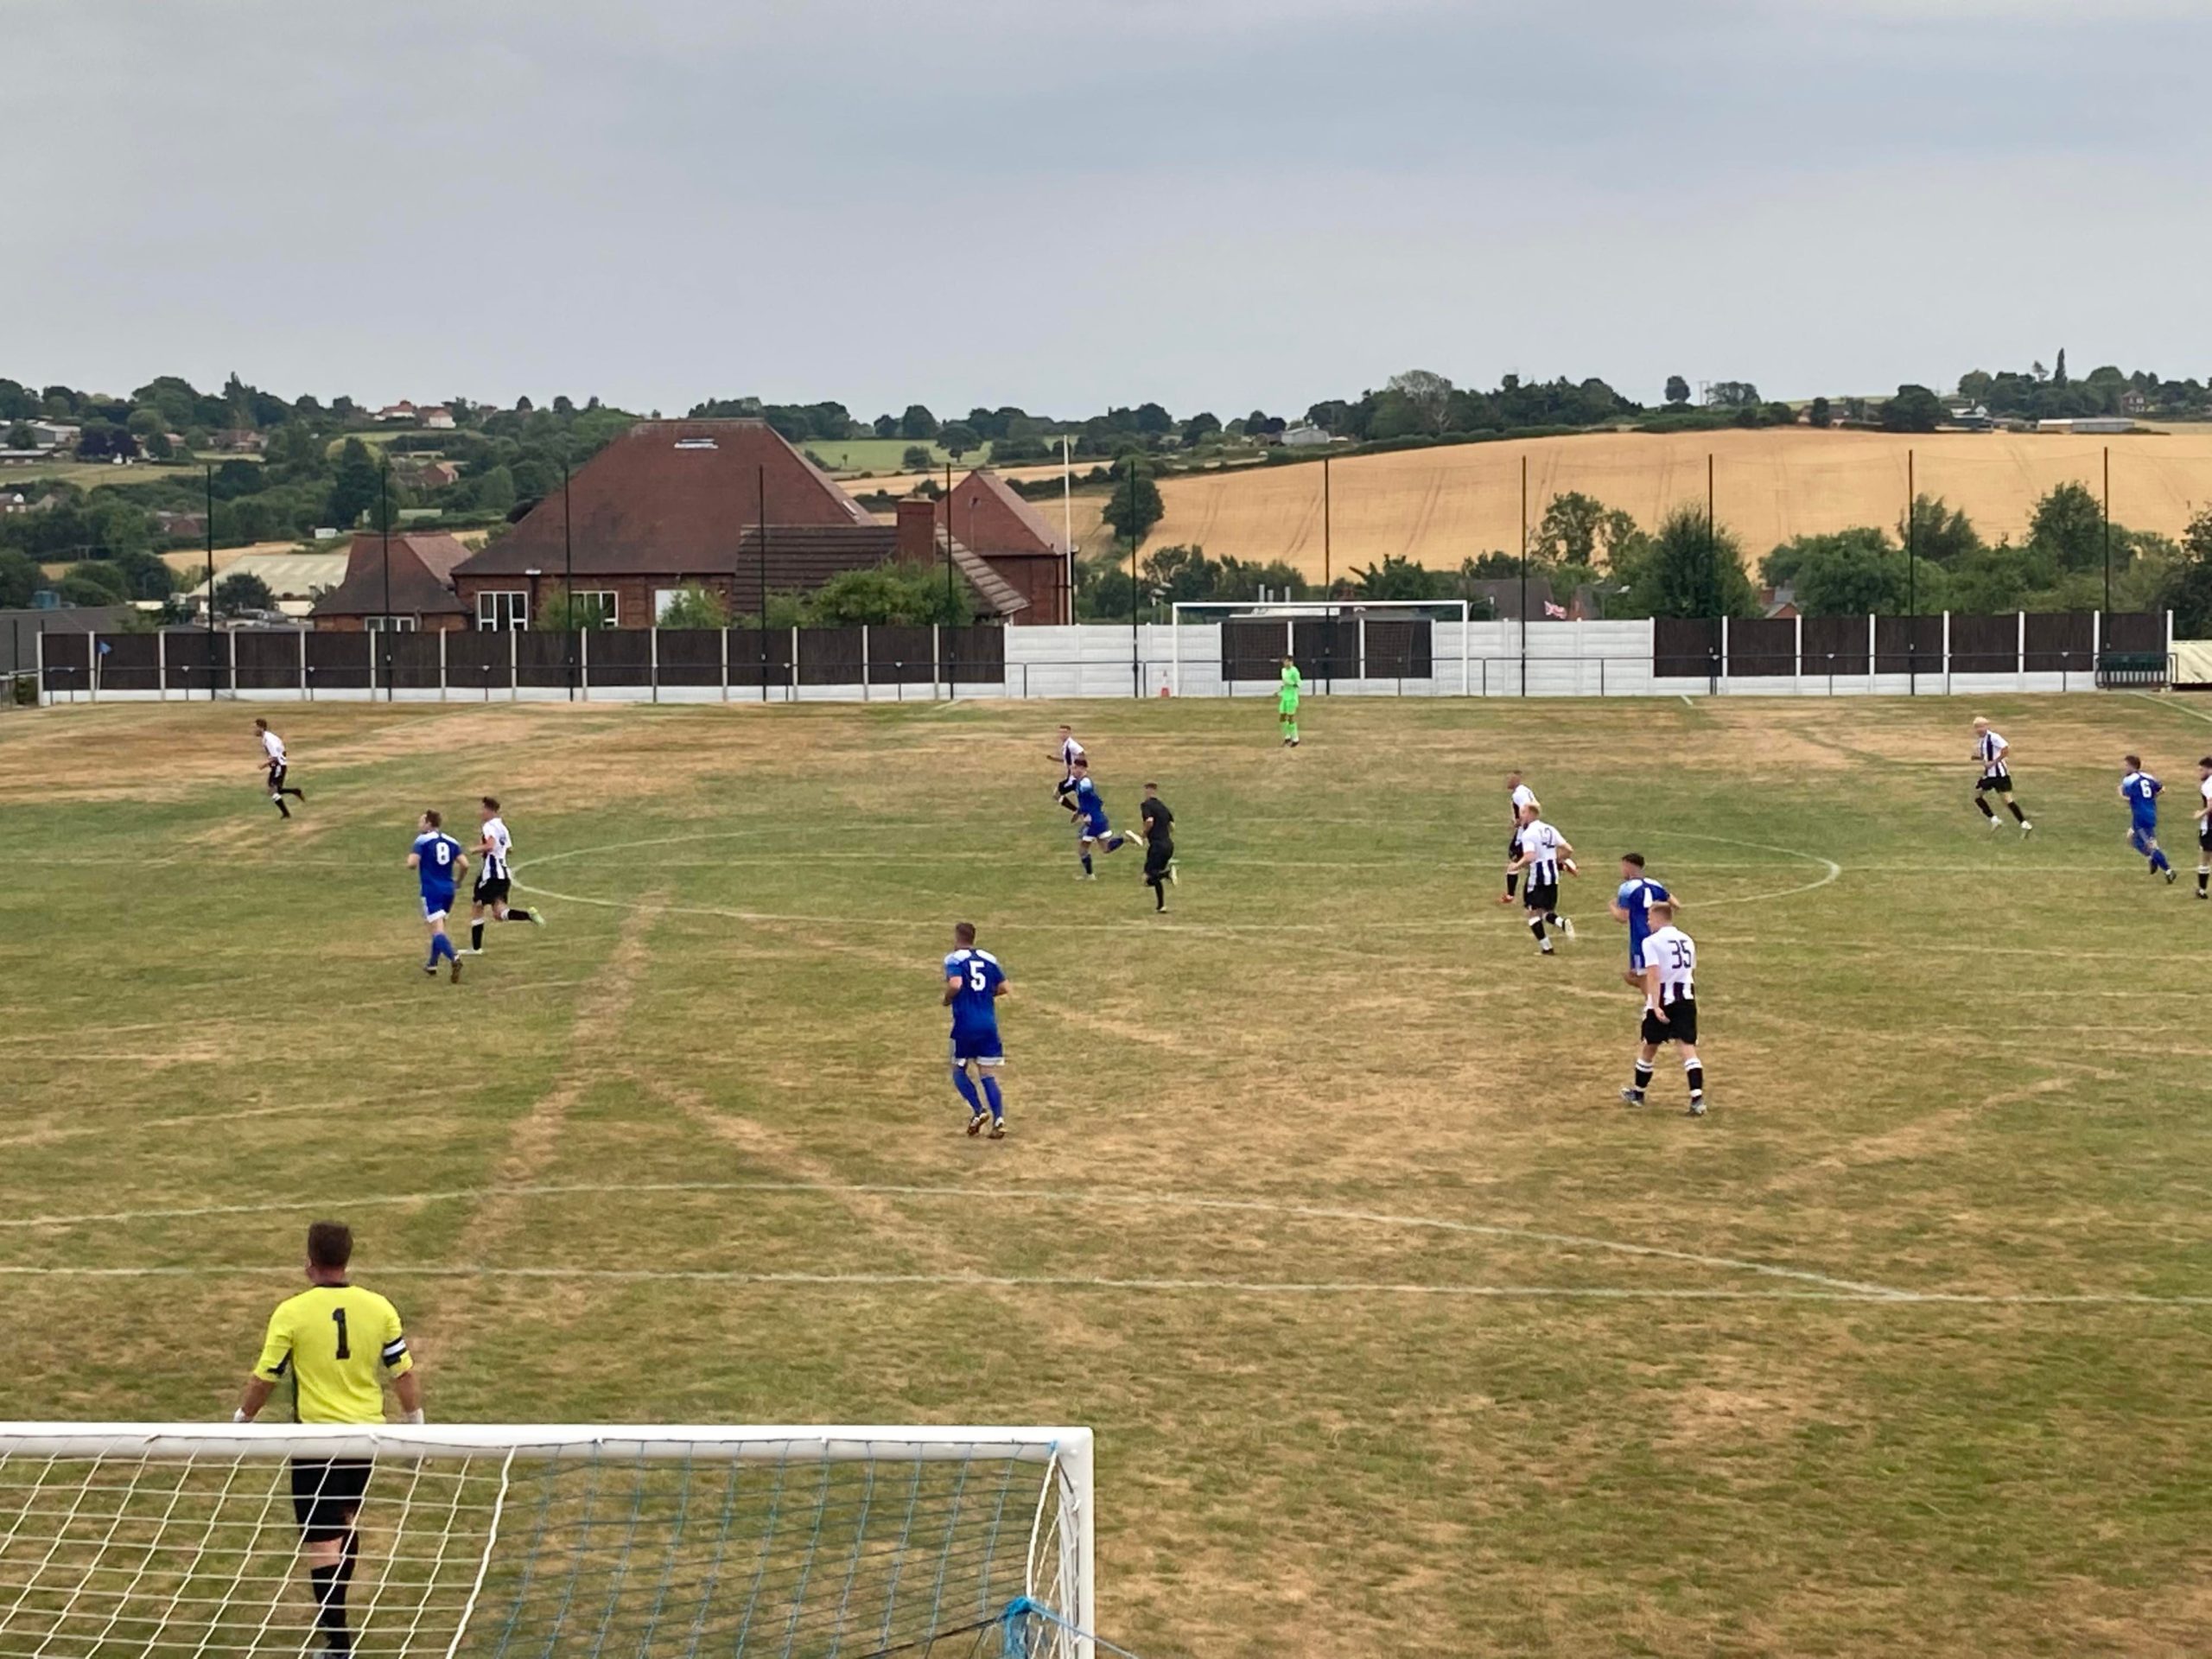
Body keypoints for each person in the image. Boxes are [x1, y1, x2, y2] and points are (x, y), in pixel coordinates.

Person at [235, 1220, 423, 1658]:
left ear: (309, 1262)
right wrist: (416, 1426)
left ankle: (338, 1644)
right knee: (342, 1525)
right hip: (365, 1440)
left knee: (321, 1541)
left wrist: (242, 1420)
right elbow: (403, 1372)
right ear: (347, 1259)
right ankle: (337, 1633)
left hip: (316, 1444)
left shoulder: (292, 1312)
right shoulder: (379, 1307)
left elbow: (266, 1377)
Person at [1620, 900, 1706, 1116]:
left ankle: (1638, 1093)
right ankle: (1697, 1098)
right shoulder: (1687, 939)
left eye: (1650, 917)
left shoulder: (1651, 942)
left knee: (1649, 1046)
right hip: (1686, 998)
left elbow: (1655, 975)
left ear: (1659, 917)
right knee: (1687, 1048)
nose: (1648, 922)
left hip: (1663, 999)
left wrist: (1656, 1005)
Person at [943, 922, 1009, 1139]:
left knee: (958, 1069)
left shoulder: (954, 959)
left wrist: (947, 999)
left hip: (965, 1025)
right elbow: (1004, 987)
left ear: (957, 937)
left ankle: (979, 1110)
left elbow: (955, 984)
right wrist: (984, 996)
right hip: (988, 1024)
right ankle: (999, 1120)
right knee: (987, 1073)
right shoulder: (989, 958)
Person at [466, 796, 543, 953]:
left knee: (478, 906)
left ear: (489, 810)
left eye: (482, 809)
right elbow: (509, 849)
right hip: (503, 874)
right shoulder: (502, 827)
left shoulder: (489, 826)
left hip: (491, 874)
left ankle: (476, 948)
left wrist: (474, 849)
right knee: (499, 914)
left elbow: (490, 845)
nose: (481, 813)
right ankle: (528, 915)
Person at [1507, 804, 1577, 955]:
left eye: (1523, 812)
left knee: (1532, 914)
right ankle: (1561, 923)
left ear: (1531, 813)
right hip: (1553, 876)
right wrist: (1554, 860)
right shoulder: (1550, 829)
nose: (1521, 816)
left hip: (1537, 877)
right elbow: (1568, 849)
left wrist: (1516, 866)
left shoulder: (1529, 833)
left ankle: (1547, 948)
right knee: (1545, 912)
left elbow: (1530, 856)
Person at [406, 810, 468, 980]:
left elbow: (412, 864)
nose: (419, 824)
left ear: (428, 823)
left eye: (421, 821)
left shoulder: (422, 840)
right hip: (448, 890)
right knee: (440, 928)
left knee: (436, 930)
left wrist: (412, 859)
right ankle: (432, 964)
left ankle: (454, 958)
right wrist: (458, 881)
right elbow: (465, 864)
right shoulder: (451, 840)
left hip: (431, 890)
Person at [1607, 853, 1672, 988]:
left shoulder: (1627, 888)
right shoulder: (1655, 884)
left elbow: (1623, 917)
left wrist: (1612, 907)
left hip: (1641, 937)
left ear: (1628, 866)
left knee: (1642, 977)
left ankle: (1652, 1001)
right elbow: (1675, 904)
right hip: (1660, 935)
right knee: (1655, 972)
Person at [1061, 756, 1129, 879]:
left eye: (1075, 768)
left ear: (1082, 768)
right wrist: (1080, 812)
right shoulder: (1080, 783)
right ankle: (1124, 838)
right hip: (1098, 818)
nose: (1073, 771)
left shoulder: (1085, 783)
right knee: (1105, 848)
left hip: (1093, 821)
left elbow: (1090, 798)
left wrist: (1084, 813)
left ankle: (1090, 875)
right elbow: (1095, 800)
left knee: (1083, 849)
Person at [2119, 755, 2177, 882]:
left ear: (2132, 766)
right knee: (2130, 838)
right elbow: (2162, 789)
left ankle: (2168, 870)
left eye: (2126, 765)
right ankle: (2151, 858)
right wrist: (2149, 798)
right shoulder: (2148, 777)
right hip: (2149, 813)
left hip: (2141, 817)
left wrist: (2120, 793)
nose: (2124, 768)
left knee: (2151, 845)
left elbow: (2128, 798)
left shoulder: (2128, 780)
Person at [1971, 717, 2031, 835]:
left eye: (1981, 726)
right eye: (1977, 727)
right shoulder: (1982, 741)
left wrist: (1993, 762)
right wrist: (1977, 757)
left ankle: (2024, 823)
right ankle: (1995, 820)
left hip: (2000, 775)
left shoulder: (1994, 737)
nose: (1979, 729)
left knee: (2007, 800)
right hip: (1989, 775)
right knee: (1977, 796)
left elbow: (2005, 750)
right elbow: (1987, 755)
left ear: (1987, 726)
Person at [1497, 772, 1540, 902]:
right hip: (1530, 830)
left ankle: (1510, 895)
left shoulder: (1518, 794)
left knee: (1515, 860)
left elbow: (1526, 809)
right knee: (1524, 860)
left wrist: (1520, 823)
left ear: (1516, 780)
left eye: (1509, 779)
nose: (1507, 781)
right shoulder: (1525, 790)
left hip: (1525, 833)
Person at [255, 719, 306, 819]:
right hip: (278, 765)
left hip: (278, 766)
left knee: (273, 791)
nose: (253, 730)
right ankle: (295, 791)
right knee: (275, 789)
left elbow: (275, 757)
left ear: (261, 728)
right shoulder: (269, 737)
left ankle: (286, 813)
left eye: (255, 728)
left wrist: (264, 765)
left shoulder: (268, 740)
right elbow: (282, 750)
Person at [1139, 782, 1177, 912]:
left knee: (1147, 878)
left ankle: (1167, 874)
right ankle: (1161, 906)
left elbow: (1149, 821)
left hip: (1157, 846)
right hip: (1168, 845)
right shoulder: (1163, 807)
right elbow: (1172, 826)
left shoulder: (1146, 805)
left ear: (1147, 791)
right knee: (1153, 876)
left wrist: (1144, 834)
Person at [1052, 726, 1086, 798]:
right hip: (1071, 773)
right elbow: (1068, 760)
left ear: (1069, 733)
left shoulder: (1071, 744)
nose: (1063, 734)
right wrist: (1054, 759)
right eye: (1061, 732)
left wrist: (1078, 768)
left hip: (1074, 775)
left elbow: (1081, 753)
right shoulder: (1066, 745)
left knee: (1057, 793)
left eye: (1065, 732)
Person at [1276, 656, 1302, 747]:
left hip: (1292, 697)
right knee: (1282, 717)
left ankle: (1295, 739)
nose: (1286, 663)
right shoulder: (1283, 670)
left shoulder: (1294, 671)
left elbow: (1299, 683)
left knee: (1291, 717)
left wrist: (1292, 683)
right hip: (1285, 696)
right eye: (1285, 661)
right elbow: (1284, 683)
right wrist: (1281, 690)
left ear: (1291, 662)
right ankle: (1287, 737)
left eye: (1288, 661)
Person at [2198, 758, 2212, 899]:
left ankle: (2202, 890)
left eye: (2202, 770)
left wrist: (2200, 814)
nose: (2200, 773)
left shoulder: (2208, 785)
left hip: (2209, 826)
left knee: (2205, 857)